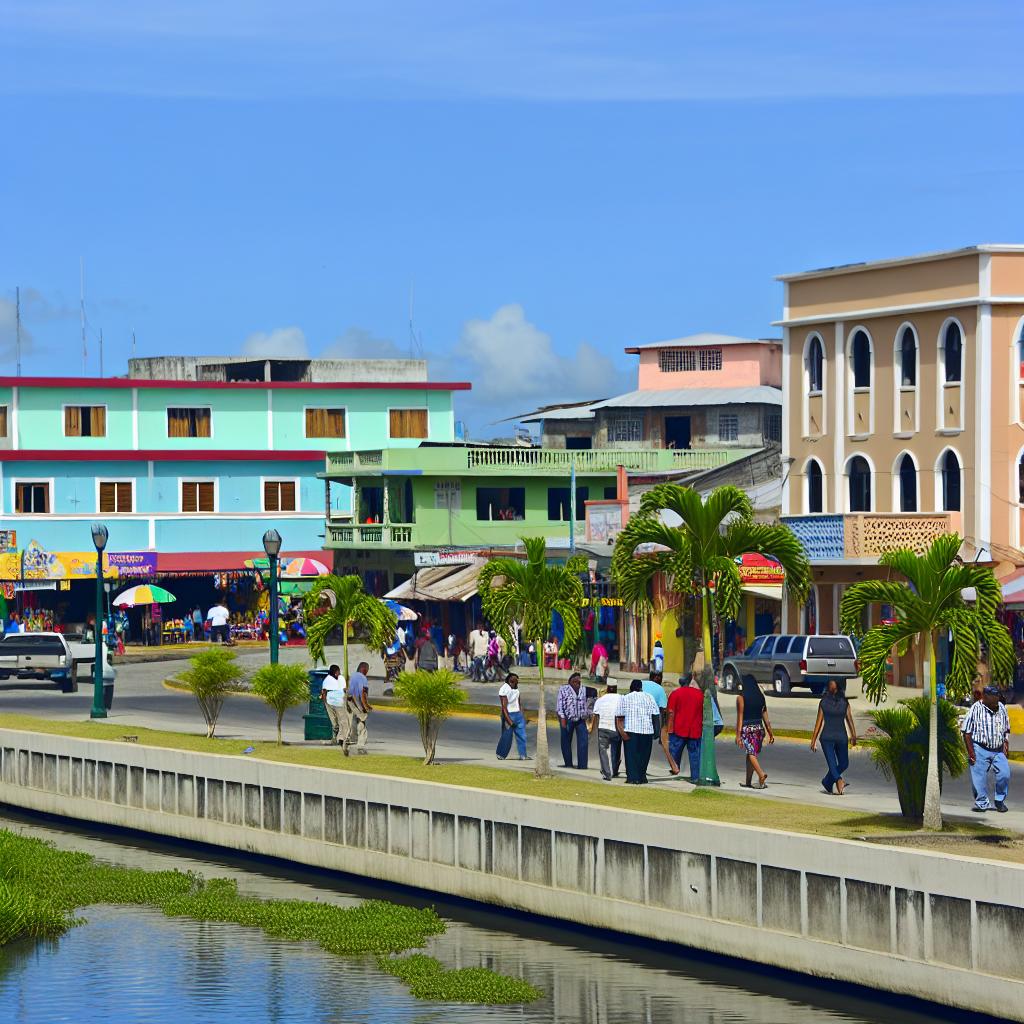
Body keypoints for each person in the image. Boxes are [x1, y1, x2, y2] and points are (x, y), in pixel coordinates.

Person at [962, 685, 1011, 812]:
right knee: (979, 779)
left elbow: (1006, 728)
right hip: (980, 748)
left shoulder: (1001, 708)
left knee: (1004, 774)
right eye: (994, 700)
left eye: (997, 699)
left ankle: (999, 800)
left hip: (998, 750)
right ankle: (982, 803)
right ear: (986, 698)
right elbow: (966, 732)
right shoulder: (976, 708)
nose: (997, 703)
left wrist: (1006, 744)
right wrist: (972, 753)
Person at [810, 679, 858, 795]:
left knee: (844, 763)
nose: (831, 686)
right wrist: (813, 740)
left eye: (832, 684)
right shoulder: (823, 702)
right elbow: (819, 722)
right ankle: (839, 780)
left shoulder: (844, 702)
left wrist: (853, 735)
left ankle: (827, 781)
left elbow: (850, 719)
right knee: (832, 763)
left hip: (841, 737)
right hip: (827, 738)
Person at [615, 679, 660, 784]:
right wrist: (656, 732)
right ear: (641, 688)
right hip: (647, 731)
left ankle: (632, 778)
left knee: (631, 756)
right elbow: (655, 715)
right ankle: (642, 777)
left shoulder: (625, 698)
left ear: (631, 688)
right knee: (644, 756)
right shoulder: (649, 697)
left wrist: (622, 733)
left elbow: (619, 717)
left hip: (631, 730)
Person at [736, 675, 774, 788]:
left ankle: (761, 774)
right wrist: (770, 733)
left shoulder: (741, 698)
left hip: (748, 730)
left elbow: (740, 718)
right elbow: (766, 718)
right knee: (750, 755)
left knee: (751, 753)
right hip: (759, 729)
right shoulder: (761, 698)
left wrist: (738, 735)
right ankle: (748, 782)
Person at [666, 675, 704, 782]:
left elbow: (671, 712)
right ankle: (695, 776)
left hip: (679, 728)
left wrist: (669, 728)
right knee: (695, 754)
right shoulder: (699, 694)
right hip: (695, 729)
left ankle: (675, 769)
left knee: (674, 750)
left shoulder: (675, 693)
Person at [556, 672, 591, 768]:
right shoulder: (563, 689)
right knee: (566, 741)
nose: (577, 683)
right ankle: (568, 764)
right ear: (570, 681)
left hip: (580, 719)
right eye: (575, 680)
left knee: (583, 742)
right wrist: (562, 718)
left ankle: (582, 765)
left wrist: (588, 713)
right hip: (567, 719)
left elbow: (590, 701)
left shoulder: (583, 689)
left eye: (579, 681)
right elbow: (559, 705)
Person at [592, 682, 622, 780]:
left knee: (603, 750)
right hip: (616, 728)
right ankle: (615, 770)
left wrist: (594, 729)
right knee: (616, 750)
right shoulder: (621, 698)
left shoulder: (600, 700)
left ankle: (607, 773)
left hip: (603, 727)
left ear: (608, 688)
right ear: (616, 688)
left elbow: (596, 715)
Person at [496, 673, 529, 761]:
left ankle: (523, 755)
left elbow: (519, 703)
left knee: (522, 736)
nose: (517, 680)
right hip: (509, 715)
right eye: (516, 679)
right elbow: (504, 707)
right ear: (510, 679)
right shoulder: (504, 689)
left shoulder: (516, 688)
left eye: (517, 679)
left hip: (517, 714)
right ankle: (501, 754)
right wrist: (509, 721)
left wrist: (523, 716)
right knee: (507, 736)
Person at [344, 661, 372, 756]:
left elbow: (348, 690)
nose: (367, 672)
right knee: (362, 721)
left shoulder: (353, 675)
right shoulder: (363, 678)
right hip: (357, 700)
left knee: (350, 722)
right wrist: (366, 706)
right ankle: (361, 746)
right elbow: (362, 694)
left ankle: (348, 740)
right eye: (367, 670)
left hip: (349, 700)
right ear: (364, 669)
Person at [319, 664, 347, 746]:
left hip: (337, 703)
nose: (340, 673)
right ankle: (336, 738)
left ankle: (341, 738)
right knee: (336, 722)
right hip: (333, 704)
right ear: (335, 672)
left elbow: (344, 689)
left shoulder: (338, 679)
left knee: (340, 721)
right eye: (339, 671)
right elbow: (324, 692)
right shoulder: (329, 681)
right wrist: (326, 704)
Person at [642, 672, 669, 748]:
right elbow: (663, 708)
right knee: (663, 714)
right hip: (652, 715)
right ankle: (661, 736)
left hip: (637, 712)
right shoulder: (660, 689)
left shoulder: (641, 683)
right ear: (657, 678)